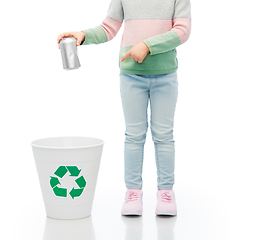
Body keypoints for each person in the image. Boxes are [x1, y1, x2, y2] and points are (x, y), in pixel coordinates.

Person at [57, 0, 191, 216]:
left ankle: (166, 192)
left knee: (164, 134)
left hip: (166, 75)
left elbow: (182, 31)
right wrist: (83, 35)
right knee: (134, 135)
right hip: (131, 76)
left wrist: (147, 45)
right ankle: (133, 193)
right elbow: (108, 29)